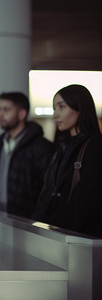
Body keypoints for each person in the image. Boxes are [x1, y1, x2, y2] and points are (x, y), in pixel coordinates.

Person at [33, 84, 102, 237]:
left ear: (80, 108)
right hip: (55, 233)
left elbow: (89, 200)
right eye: (54, 108)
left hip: (79, 238)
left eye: (61, 107)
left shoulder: (95, 146)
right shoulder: (62, 147)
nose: (55, 114)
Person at [0, 92, 54, 218]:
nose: (0, 115)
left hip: (26, 223)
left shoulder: (40, 147)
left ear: (22, 114)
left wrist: (35, 222)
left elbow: (47, 191)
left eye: (6, 110)